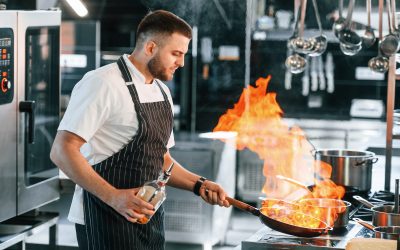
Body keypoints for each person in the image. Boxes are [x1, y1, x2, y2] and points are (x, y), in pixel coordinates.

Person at [50, 10, 230, 250]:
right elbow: (62, 151)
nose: (182, 63)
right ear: (151, 47)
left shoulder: (162, 91)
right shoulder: (102, 83)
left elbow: (161, 160)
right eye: (176, 54)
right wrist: (114, 197)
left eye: (184, 54)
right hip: (104, 217)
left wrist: (199, 184)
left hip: (148, 217)